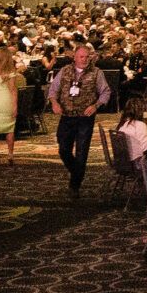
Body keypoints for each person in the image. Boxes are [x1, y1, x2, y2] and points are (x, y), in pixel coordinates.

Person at [48, 40, 110, 196]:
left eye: (87, 57)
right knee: (63, 149)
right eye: (81, 57)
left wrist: (95, 105)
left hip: (85, 118)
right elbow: (53, 89)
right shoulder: (64, 71)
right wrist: (54, 102)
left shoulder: (96, 72)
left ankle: (74, 185)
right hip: (67, 116)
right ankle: (77, 171)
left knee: (82, 152)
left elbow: (105, 92)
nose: (84, 59)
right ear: (74, 57)